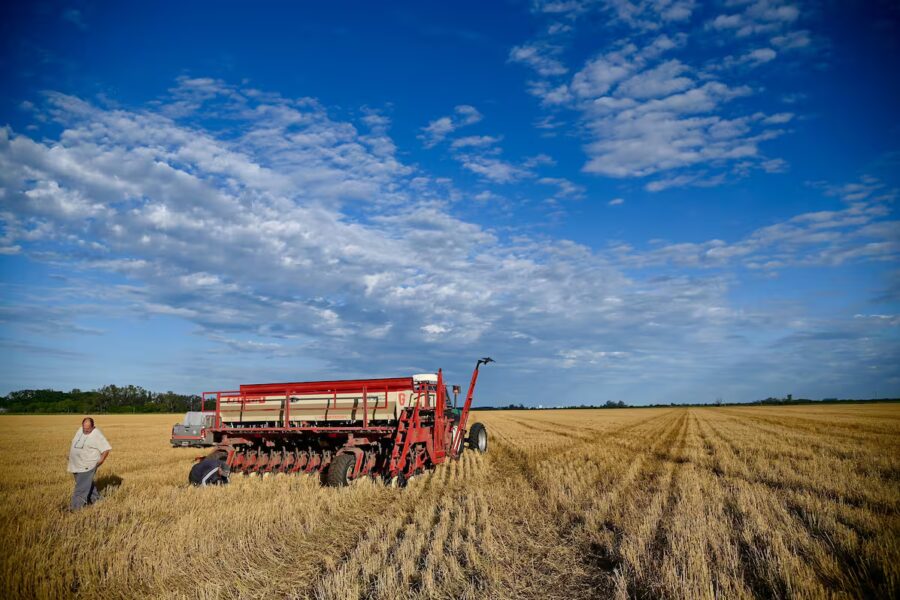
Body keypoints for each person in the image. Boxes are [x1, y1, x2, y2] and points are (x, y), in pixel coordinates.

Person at [67, 417, 112, 510]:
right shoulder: (80, 430)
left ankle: (75, 508)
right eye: (84, 428)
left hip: (87, 465)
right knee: (87, 484)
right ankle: (97, 501)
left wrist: (101, 460)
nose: (86, 430)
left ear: (93, 427)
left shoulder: (96, 434)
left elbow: (106, 449)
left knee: (81, 487)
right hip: (76, 464)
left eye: (88, 428)